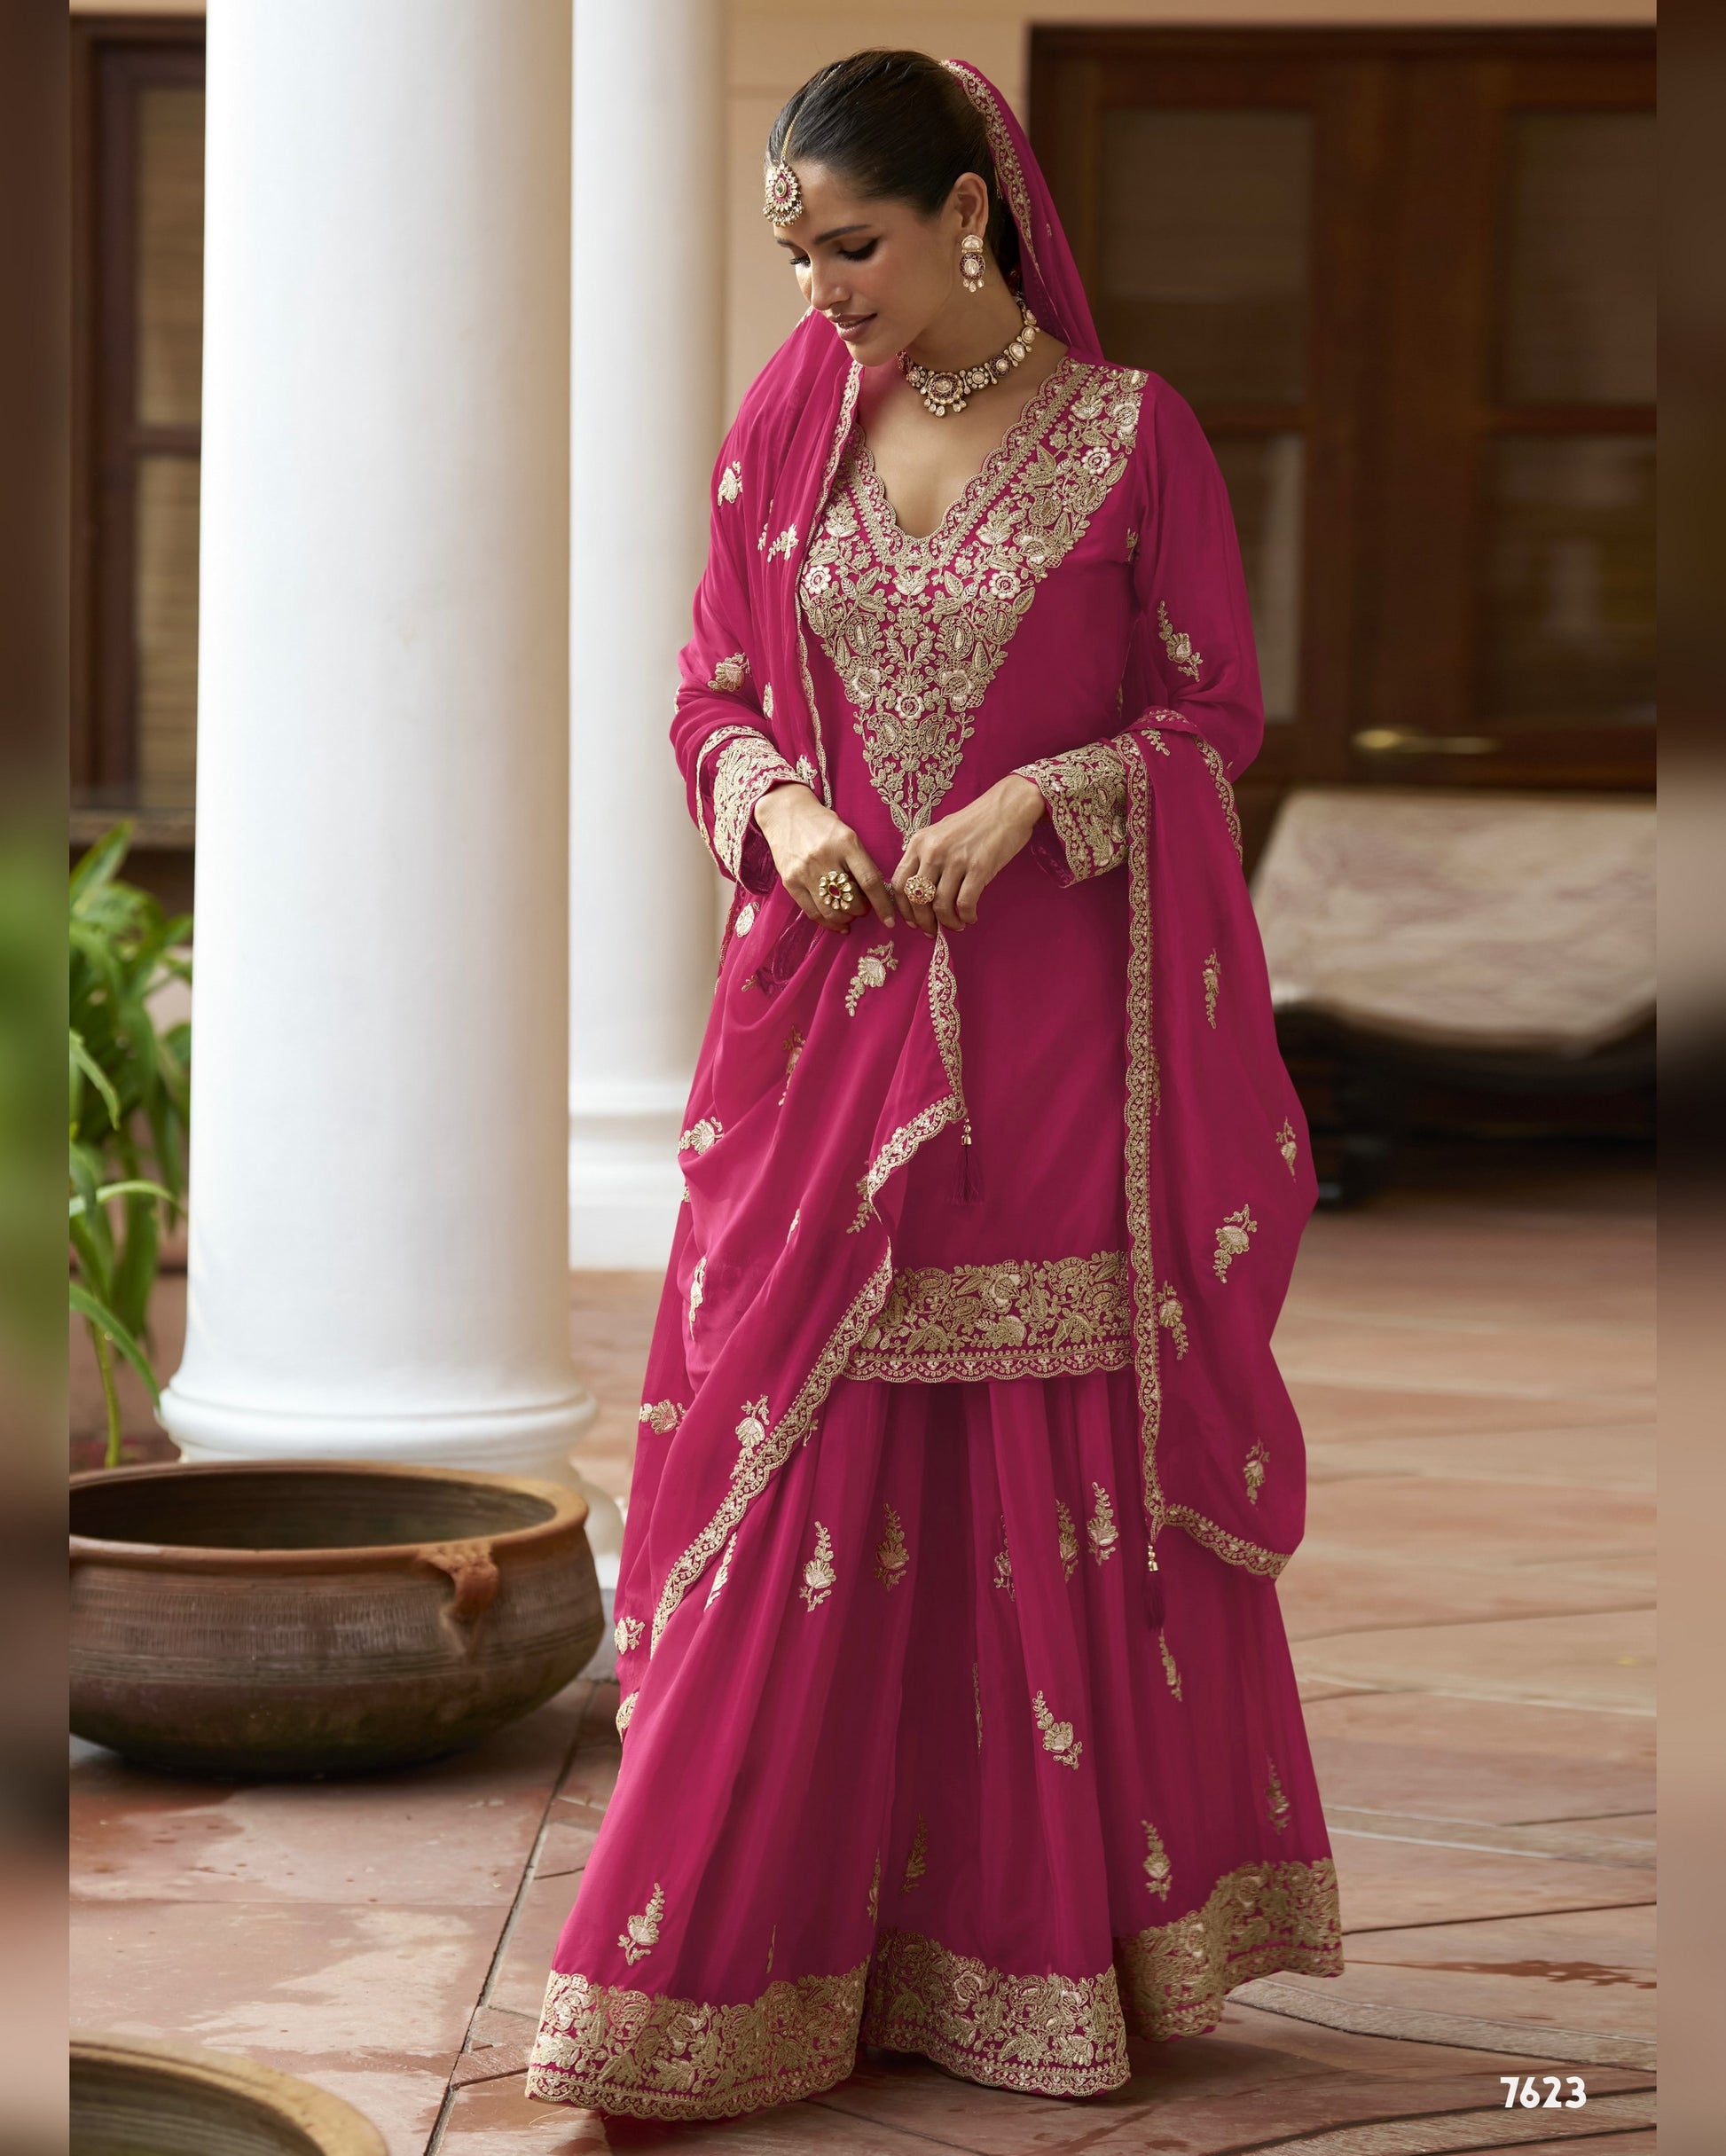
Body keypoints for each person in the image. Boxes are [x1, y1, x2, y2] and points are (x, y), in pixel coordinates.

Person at [528, 50, 1342, 2121]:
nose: (820, 289)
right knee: (790, 1452)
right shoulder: (790, 420)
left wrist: (1049, 800)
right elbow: (710, 686)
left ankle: (1036, 1959)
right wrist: (781, 808)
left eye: (854, 245)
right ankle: (726, 1974)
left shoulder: (1133, 436)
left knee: (1026, 1452)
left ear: (969, 208)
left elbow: (1210, 716)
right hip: (819, 1031)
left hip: (1050, 1028)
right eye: (797, 251)